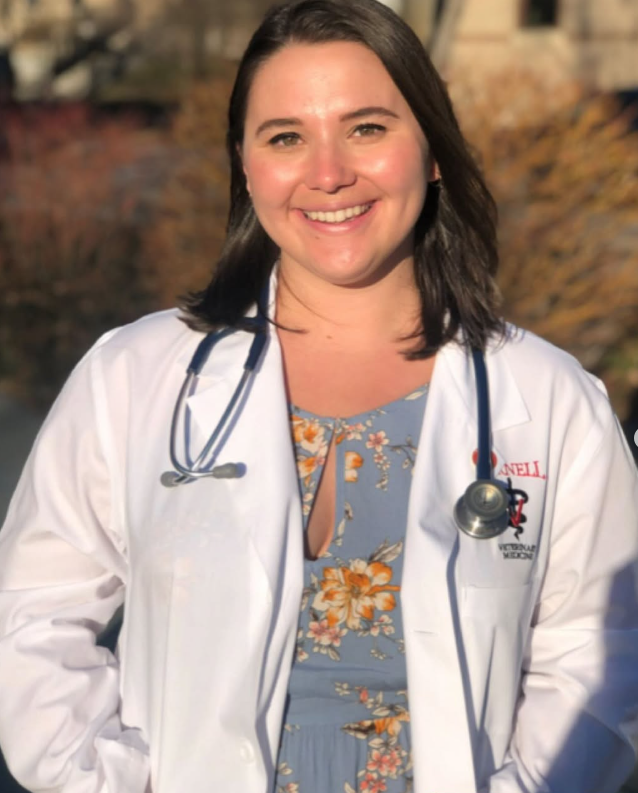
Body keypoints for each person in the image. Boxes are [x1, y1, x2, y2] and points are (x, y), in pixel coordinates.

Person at [1, 1, 637, 791]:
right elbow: (30, 613)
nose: (328, 172)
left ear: (433, 150)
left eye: (367, 128)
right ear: (243, 162)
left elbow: (602, 652)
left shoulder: (550, 402)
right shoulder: (132, 378)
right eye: (286, 137)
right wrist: (102, 776)